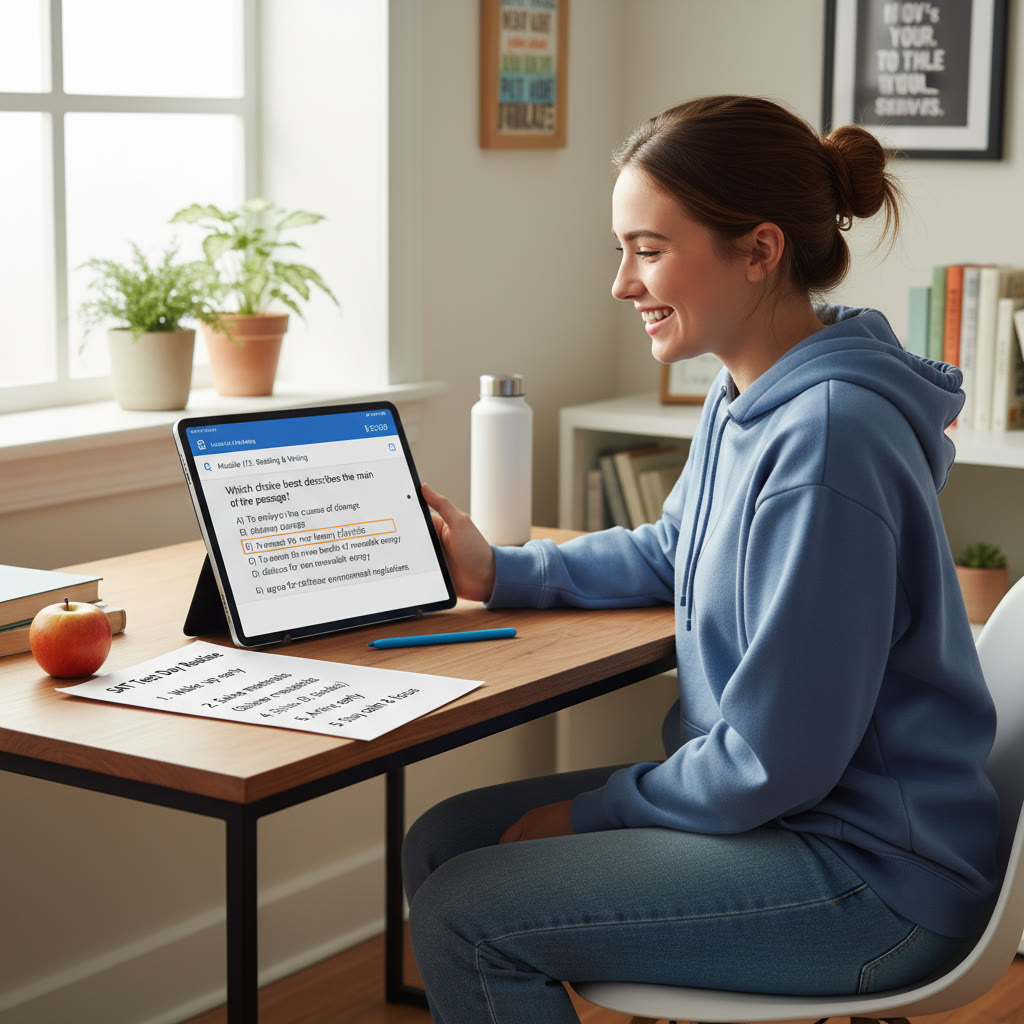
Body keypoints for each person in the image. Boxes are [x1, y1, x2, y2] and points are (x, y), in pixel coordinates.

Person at [402, 95, 1000, 1024]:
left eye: (648, 250)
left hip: (866, 871)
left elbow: (775, 758)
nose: (621, 284)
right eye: (622, 250)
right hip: (796, 817)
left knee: (464, 912)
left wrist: (596, 810)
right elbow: (677, 547)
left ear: (759, 251)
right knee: (446, 838)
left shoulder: (829, 440)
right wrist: (501, 571)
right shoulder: (749, 391)